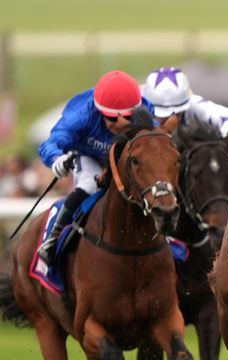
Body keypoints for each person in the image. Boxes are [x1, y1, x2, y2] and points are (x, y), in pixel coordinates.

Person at [37, 70, 153, 262]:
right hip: (90, 157)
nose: (118, 124)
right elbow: (51, 143)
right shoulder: (81, 115)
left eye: (126, 117)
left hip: (125, 158)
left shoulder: (147, 111)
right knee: (90, 185)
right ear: (99, 111)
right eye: (112, 118)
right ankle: (53, 237)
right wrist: (56, 159)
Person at [142, 66, 228, 148]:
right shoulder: (137, 105)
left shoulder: (195, 105)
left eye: (177, 114)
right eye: (163, 117)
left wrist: (223, 147)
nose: (170, 121)